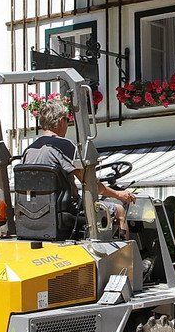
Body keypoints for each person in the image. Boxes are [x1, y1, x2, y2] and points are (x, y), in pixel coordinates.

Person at [23, 99, 134, 232]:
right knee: (119, 211)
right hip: (66, 209)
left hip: (33, 210)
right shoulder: (64, 145)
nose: (67, 124)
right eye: (67, 120)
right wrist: (118, 194)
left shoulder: (28, 150)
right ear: (60, 121)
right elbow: (90, 183)